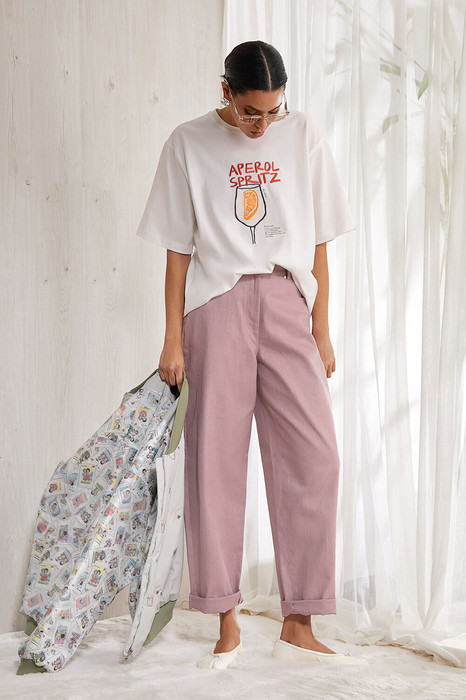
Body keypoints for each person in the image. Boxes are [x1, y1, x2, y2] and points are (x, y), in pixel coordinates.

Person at [135, 40, 368, 669]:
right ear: (226, 92)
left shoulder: (303, 136)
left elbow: (319, 242)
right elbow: (177, 253)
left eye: (273, 110)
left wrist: (321, 327)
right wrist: (172, 337)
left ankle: (299, 620)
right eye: (250, 111)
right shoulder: (187, 143)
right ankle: (225, 619)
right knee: (215, 460)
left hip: (288, 299)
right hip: (217, 304)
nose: (262, 123)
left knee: (316, 456)